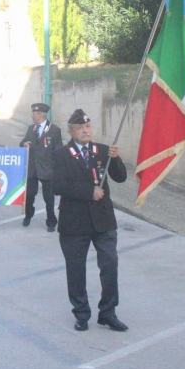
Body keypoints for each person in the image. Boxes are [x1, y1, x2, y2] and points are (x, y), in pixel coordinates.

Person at [55, 109, 128, 333]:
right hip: (74, 222)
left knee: (110, 264)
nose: (86, 131)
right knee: (76, 269)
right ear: (72, 131)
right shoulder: (61, 154)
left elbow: (121, 177)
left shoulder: (103, 150)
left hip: (102, 220)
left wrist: (115, 159)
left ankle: (108, 312)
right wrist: (89, 191)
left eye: (88, 127)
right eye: (81, 128)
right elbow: (58, 185)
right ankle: (81, 313)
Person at [20, 102, 62, 232]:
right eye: (33, 113)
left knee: (48, 198)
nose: (33, 116)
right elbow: (22, 142)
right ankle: (28, 214)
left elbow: (58, 150)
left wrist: (57, 170)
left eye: (35, 113)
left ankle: (51, 221)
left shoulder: (54, 130)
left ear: (42, 114)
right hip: (32, 168)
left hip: (47, 169)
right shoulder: (31, 128)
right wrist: (24, 144)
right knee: (29, 195)